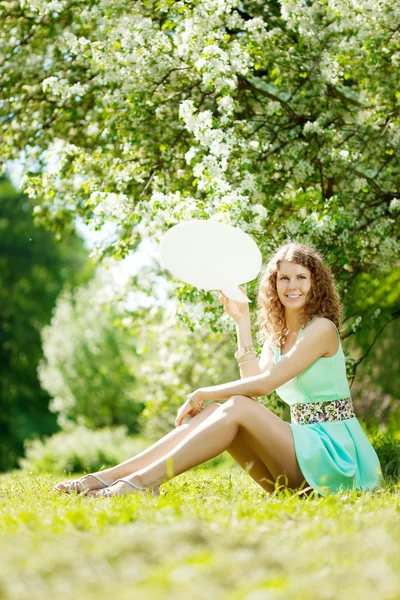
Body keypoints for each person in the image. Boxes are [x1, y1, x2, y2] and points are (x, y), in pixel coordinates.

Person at [55, 242, 383, 498]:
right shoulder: (278, 335)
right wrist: (242, 321)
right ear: (274, 284)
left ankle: (141, 483)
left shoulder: (321, 329)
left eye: (301, 277)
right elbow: (252, 385)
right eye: (284, 277)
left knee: (233, 405)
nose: (291, 285)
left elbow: (264, 386)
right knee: (218, 412)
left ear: (315, 284)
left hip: (337, 460)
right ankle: (109, 477)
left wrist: (203, 391)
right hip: (297, 461)